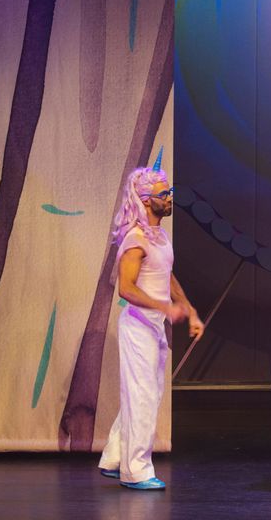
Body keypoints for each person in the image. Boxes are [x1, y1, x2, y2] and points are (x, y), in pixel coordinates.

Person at [98, 159, 202, 490]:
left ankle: (115, 457)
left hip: (155, 326)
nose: (170, 198)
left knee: (147, 394)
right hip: (138, 326)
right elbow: (126, 289)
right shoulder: (135, 239)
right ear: (145, 200)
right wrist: (163, 307)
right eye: (164, 194)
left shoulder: (159, 236)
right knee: (142, 396)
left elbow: (165, 275)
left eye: (169, 192)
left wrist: (189, 309)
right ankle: (136, 470)